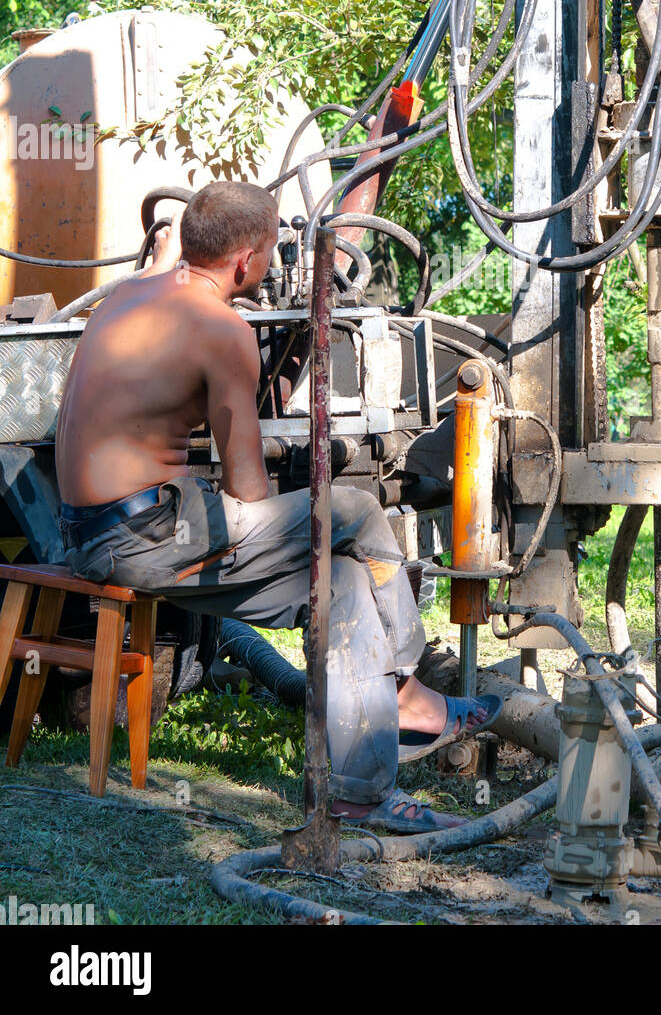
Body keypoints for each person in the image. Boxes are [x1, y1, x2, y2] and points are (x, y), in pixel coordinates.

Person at [55, 181, 499, 833]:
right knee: (355, 511)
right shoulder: (221, 330)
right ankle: (408, 688)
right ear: (245, 262)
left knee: (343, 585)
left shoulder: (129, 294)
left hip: (92, 533)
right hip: (150, 538)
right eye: (268, 250)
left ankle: (357, 792)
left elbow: (166, 268)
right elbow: (247, 489)